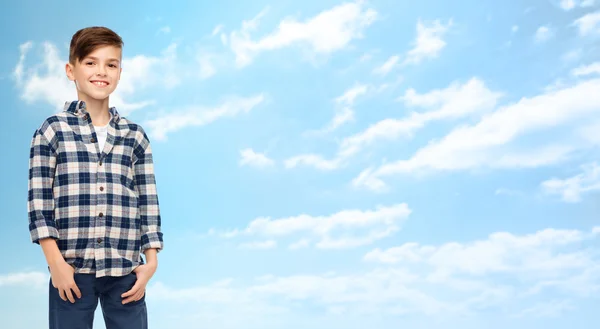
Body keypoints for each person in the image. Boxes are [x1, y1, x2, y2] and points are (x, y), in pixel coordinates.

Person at [27, 26, 164, 329]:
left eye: (111, 64)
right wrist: (56, 265)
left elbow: (148, 202)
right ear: (70, 69)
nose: (101, 71)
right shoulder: (52, 131)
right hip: (71, 272)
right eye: (90, 62)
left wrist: (150, 262)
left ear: (119, 71)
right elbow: (40, 205)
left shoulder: (135, 136)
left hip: (126, 272)